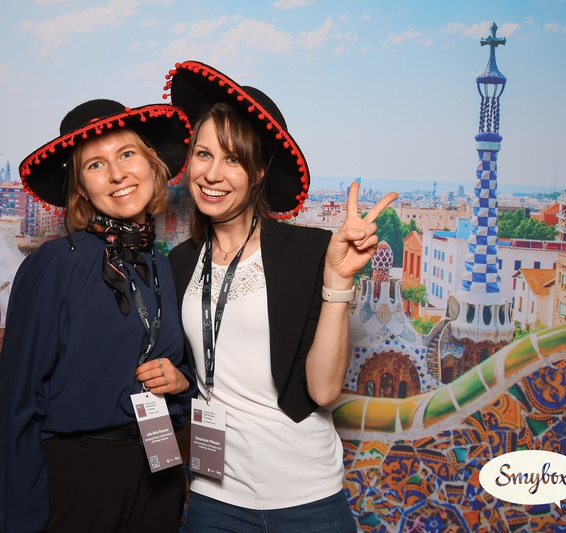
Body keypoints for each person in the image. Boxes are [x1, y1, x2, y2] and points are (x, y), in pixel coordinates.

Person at [165, 61, 398, 532]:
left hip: (306, 498)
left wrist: (338, 280)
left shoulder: (310, 251)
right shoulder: (180, 263)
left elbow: (324, 391)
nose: (212, 174)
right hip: (214, 496)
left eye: (233, 160)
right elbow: (200, 369)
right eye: (204, 154)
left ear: (258, 172)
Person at [0, 99, 197, 533]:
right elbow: (18, 403)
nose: (117, 174)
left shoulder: (162, 266)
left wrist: (179, 382)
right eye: (96, 165)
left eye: (127, 154)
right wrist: (20, 522)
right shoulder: (56, 264)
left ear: (151, 164)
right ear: (82, 188)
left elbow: (173, 372)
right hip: (82, 477)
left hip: (160, 472)